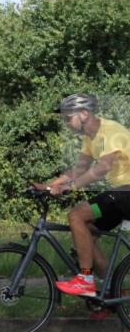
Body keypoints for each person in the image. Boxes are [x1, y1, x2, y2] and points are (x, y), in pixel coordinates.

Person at [37, 94, 130, 298]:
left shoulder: (110, 131)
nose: (66, 123)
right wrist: (49, 185)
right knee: (87, 231)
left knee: (76, 216)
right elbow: (79, 168)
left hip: (125, 193)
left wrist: (72, 186)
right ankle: (111, 294)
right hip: (120, 196)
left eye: (68, 118)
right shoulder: (90, 138)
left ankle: (85, 280)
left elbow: (103, 167)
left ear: (84, 114)